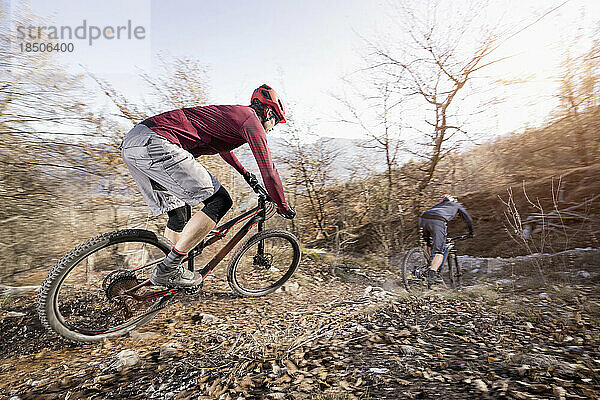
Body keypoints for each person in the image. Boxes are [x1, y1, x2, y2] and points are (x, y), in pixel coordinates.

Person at [120, 84, 296, 288]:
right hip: (157, 143)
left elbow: (224, 149)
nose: (272, 127)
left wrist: (246, 175)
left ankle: (166, 273)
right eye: (274, 121)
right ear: (267, 111)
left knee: (179, 214)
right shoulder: (252, 121)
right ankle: (168, 269)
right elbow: (269, 171)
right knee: (220, 201)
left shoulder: (236, 115)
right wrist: (282, 205)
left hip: (134, 144)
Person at [419, 194, 474, 282]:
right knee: (439, 251)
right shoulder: (456, 204)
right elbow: (468, 219)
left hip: (423, 218)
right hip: (438, 221)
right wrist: (471, 232)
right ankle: (432, 274)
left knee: (428, 243)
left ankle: (427, 266)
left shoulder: (438, 206)